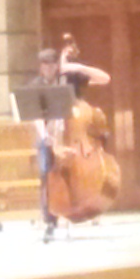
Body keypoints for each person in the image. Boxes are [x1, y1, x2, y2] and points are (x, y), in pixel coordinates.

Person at [30, 38, 111, 242]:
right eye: (45, 65)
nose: (49, 69)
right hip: (49, 135)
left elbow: (105, 79)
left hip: (73, 135)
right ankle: (50, 221)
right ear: (41, 67)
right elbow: (35, 115)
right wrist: (45, 136)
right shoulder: (36, 86)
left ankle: (81, 209)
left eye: (52, 65)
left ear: (57, 65)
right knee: (46, 173)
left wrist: (79, 67)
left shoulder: (70, 78)